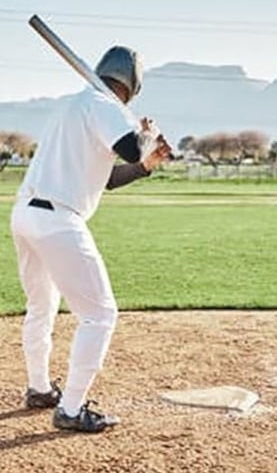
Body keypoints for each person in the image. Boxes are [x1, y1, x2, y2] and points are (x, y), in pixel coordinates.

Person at [11, 45, 172, 433]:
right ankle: (70, 409)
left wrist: (145, 166)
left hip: (26, 214)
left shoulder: (74, 105)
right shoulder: (104, 105)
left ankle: (39, 388)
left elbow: (107, 177)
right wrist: (146, 136)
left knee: (42, 306)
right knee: (100, 315)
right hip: (58, 221)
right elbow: (130, 146)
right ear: (134, 86)